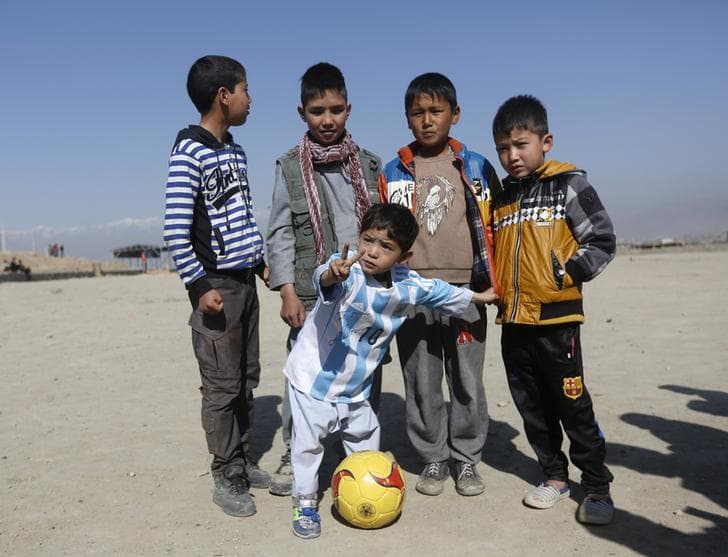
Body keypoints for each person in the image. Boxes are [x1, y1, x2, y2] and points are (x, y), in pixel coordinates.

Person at [285, 203, 498, 538]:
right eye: (368, 240)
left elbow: (438, 292)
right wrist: (331, 274)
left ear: (404, 256)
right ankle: (306, 501)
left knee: (367, 438)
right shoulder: (348, 272)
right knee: (308, 446)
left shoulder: (405, 285)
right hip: (314, 380)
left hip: (355, 387)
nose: (372, 252)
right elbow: (324, 277)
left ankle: (370, 490)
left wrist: (479, 297)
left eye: (386, 247)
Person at [490, 94, 616, 524]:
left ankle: (597, 487)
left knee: (572, 405)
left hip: (557, 322)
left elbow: (601, 237)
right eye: (503, 148)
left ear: (546, 141)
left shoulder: (569, 184)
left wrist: (567, 274)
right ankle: (555, 477)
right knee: (532, 406)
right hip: (513, 321)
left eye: (520, 145)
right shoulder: (501, 199)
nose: (512, 156)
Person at [378, 73, 500, 497]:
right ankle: (433, 458)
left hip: (467, 291)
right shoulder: (392, 170)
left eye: (436, 111)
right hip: (413, 293)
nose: (427, 121)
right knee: (422, 380)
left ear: (455, 114)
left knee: (466, 379)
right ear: (407, 118)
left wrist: (497, 284)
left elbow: (494, 226)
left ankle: (466, 459)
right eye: (418, 113)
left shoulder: (478, 165)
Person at [266, 62, 382, 497]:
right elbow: (278, 231)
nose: (327, 119)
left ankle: (358, 462)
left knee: (363, 374)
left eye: (335, 109)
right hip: (312, 294)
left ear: (349, 109)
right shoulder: (289, 167)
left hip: (362, 295)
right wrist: (287, 292)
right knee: (303, 378)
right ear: (302, 113)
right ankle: (294, 453)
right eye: (317, 111)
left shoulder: (369, 165)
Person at [163, 54, 270, 518]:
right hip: (217, 291)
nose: (250, 98)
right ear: (223, 96)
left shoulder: (235, 151)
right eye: (245, 89)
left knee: (246, 379)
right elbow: (174, 228)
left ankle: (244, 461)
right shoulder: (190, 151)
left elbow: (242, 216)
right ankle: (225, 473)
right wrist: (198, 284)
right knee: (221, 386)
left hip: (245, 283)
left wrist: (261, 259)